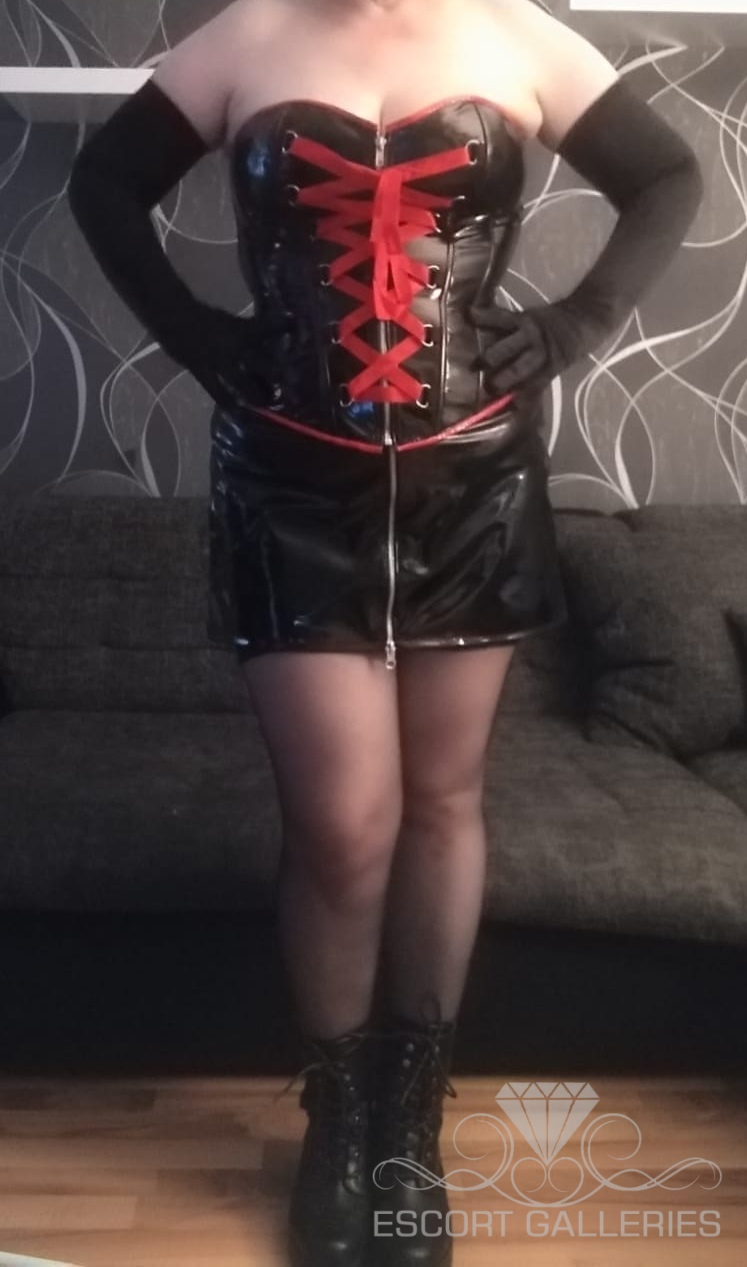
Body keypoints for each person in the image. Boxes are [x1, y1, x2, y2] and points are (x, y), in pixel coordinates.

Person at [67, 0, 703, 1263]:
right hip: (291, 481)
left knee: (444, 803)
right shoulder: (247, 36)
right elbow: (105, 183)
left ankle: (406, 1124)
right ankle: (338, 1117)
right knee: (344, 823)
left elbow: (668, 174)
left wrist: (573, 325)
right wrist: (198, 339)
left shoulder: (519, 37)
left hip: (474, 479)